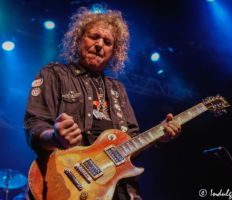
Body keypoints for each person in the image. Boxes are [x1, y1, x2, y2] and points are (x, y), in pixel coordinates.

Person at [23, 4, 181, 200]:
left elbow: (130, 144)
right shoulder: (54, 74)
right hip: (67, 185)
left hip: (118, 190)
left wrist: (158, 136)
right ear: (78, 40)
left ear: (113, 52)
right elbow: (33, 127)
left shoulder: (117, 89)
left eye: (107, 42)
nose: (100, 44)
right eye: (93, 36)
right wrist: (56, 137)